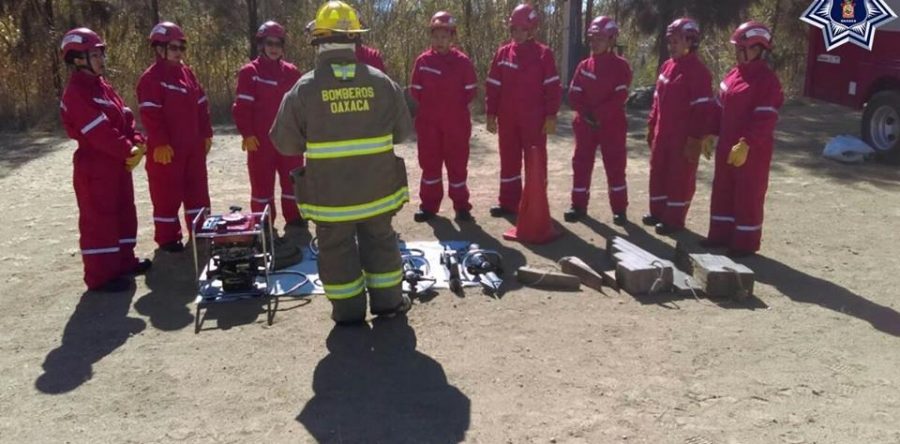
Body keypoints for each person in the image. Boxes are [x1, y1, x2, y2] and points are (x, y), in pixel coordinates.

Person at [271, 1, 413, 325]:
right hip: (378, 192)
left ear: (318, 40)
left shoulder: (303, 89)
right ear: (356, 39)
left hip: (331, 200)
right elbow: (403, 133)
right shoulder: (382, 83)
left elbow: (284, 142)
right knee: (380, 241)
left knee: (336, 250)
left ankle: (348, 312)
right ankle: (389, 303)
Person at [59, 28, 151, 292]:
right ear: (77, 59)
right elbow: (98, 131)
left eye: (100, 54)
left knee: (124, 211)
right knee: (100, 219)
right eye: (94, 54)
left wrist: (136, 141)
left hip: (116, 163)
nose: (101, 59)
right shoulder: (77, 92)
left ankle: (123, 261)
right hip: (96, 165)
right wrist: (127, 149)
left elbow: (125, 116)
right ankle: (101, 276)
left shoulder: (102, 86)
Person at [704, 21, 784, 257]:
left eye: (742, 48)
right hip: (728, 146)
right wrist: (710, 132)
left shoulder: (767, 82)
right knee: (723, 190)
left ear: (758, 48)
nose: (737, 53)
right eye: (737, 48)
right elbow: (719, 107)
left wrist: (747, 143)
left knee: (748, 194)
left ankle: (744, 243)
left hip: (752, 151)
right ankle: (719, 235)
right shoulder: (733, 74)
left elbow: (765, 120)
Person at [137, 21, 213, 252]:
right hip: (167, 150)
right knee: (166, 195)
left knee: (197, 190)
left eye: (181, 48)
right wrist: (159, 142)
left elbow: (201, 104)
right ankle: (168, 238)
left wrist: (206, 133)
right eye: (174, 47)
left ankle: (200, 229)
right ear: (159, 49)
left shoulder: (186, 73)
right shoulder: (151, 79)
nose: (179, 53)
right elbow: (150, 113)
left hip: (192, 146)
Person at [485, 3, 562, 217]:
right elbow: (493, 85)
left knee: (535, 161)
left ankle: (536, 203)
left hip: (534, 120)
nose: (518, 34)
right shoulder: (502, 54)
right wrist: (491, 113)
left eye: (522, 30)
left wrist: (551, 115)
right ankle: (509, 202)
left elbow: (552, 86)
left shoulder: (543, 55)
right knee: (509, 160)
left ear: (532, 30)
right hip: (508, 119)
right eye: (514, 30)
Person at [645, 17, 716, 235]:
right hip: (662, 134)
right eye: (670, 41)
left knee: (679, 178)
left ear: (690, 41)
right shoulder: (667, 67)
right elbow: (657, 99)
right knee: (658, 173)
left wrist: (695, 139)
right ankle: (658, 212)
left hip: (683, 138)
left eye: (676, 41)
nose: (671, 46)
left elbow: (702, 111)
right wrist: (651, 125)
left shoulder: (699, 73)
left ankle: (674, 219)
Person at [233, 20, 305, 227]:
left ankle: (294, 218)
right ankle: (263, 223)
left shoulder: (292, 72)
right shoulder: (250, 72)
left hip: (289, 139)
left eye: (278, 44)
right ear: (261, 45)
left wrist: (302, 132)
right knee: (262, 186)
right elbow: (241, 106)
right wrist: (247, 133)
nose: (274, 48)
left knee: (292, 182)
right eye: (269, 43)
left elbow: (300, 106)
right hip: (260, 142)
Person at [410, 11, 478, 223]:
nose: (440, 41)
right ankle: (429, 206)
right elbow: (415, 91)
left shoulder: (463, 62)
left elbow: (471, 92)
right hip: (428, 124)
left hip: (456, 124)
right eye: (436, 37)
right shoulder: (423, 62)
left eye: (444, 37)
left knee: (457, 166)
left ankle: (461, 206)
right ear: (431, 37)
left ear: (452, 38)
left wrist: (452, 109)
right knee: (430, 166)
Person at [564, 16, 632, 225]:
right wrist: (586, 114)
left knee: (615, 166)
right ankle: (578, 206)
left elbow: (619, 96)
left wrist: (599, 114)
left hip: (611, 125)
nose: (594, 43)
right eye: (592, 39)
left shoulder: (621, 66)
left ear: (611, 40)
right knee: (581, 164)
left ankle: (619, 210)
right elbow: (574, 94)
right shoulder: (584, 66)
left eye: (600, 39)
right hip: (585, 125)